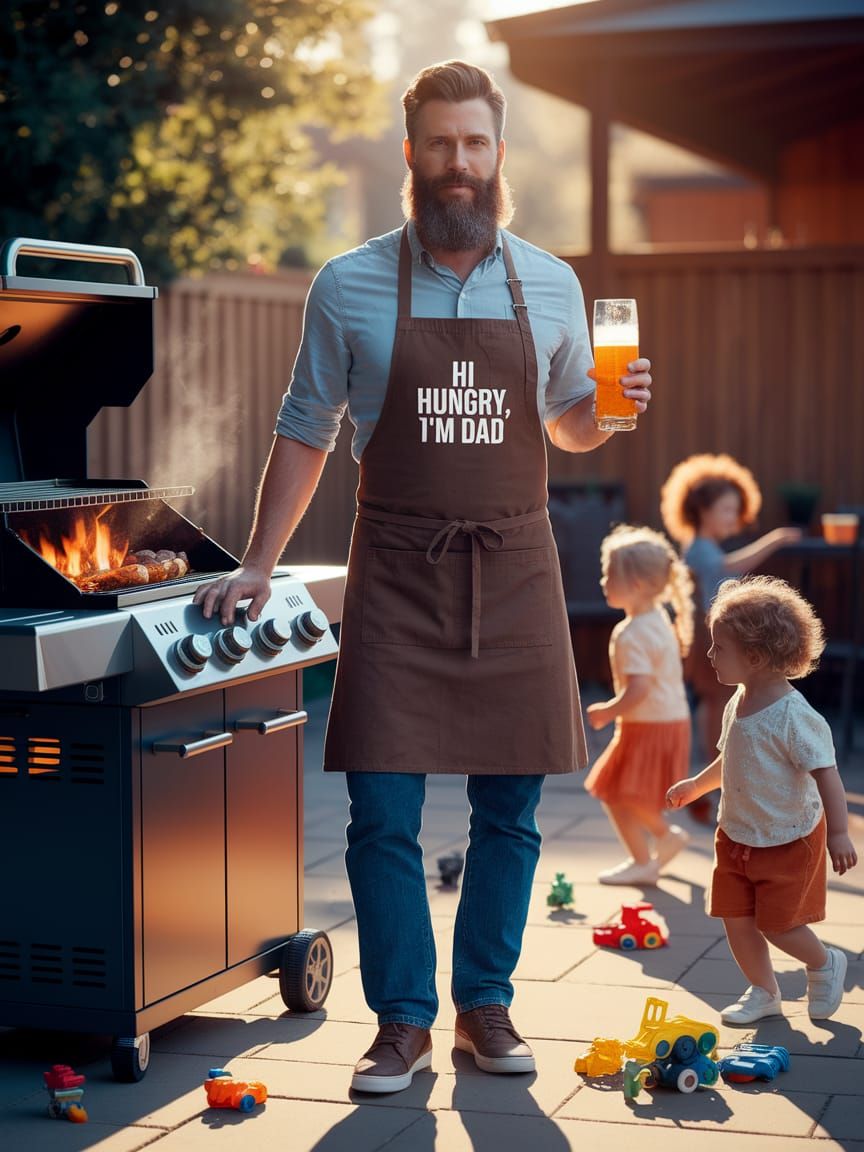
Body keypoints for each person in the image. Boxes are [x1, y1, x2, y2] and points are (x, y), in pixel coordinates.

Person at [194, 60, 653, 1094]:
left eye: (475, 142)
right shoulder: (347, 283)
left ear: (499, 154)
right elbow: (305, 429)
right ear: (411, 153)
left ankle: (484, 1007)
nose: (459, 162)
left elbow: (571, 423)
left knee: (512, 815)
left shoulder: (552, 282)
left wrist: (612, 412)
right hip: (398, 569)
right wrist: (259, 563)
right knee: (380, 814)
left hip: (515, 565)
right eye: (440, 142)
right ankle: (401, 1019)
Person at [666, 576, 857, 1025]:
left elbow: (827, 774)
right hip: (737, 833)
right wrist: (696, 785)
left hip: (787, 837)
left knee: (778, 924)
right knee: (735, 918)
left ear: (753, 658)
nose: (710, 656)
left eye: (719, 648)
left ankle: (824, 963)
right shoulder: (739, 699)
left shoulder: (795, 716)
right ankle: (764, 991)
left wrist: (840, 833)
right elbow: (730, 757)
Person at [660, 453, 802, 823]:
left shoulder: (704, 545)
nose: (732, 518)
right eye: (725, 510)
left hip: (710, 634)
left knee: (717, 699)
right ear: (700, 509)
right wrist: (774, 540)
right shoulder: (701, 548)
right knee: (715, 699)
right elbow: (730, 567)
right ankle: (716, 775)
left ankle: (717, 775)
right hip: (707, 637)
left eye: (735, 511)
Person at [584, 525, 694, 886]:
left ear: (635, 585)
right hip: (670, 721)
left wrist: (607, 711)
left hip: (646, 725)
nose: (603, 581)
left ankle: (646, 857)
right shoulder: (658, 619)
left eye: (608, 574)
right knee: (622, 792)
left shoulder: (630, 633)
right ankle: (661, 839)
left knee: (615, 791)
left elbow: (639, 689)